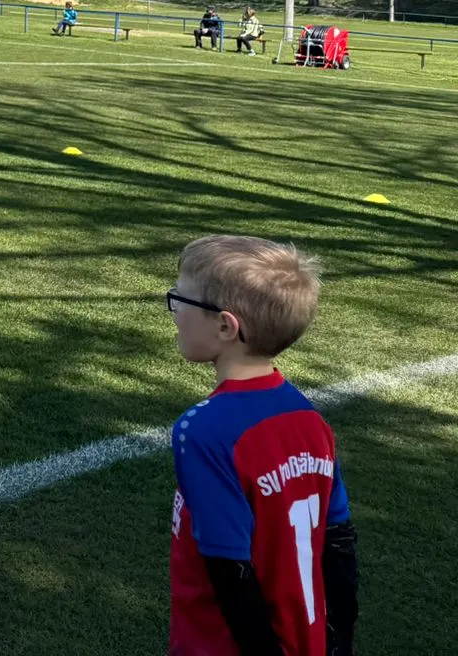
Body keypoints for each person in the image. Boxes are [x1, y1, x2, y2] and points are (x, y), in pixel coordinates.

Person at [165, 234, 357, 655]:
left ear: (225, 326)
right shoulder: (310, 421)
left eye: (181, 300)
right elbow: (339, 542)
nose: (175, 313)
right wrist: (338, 642)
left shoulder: (204, 430)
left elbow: (230, 569)